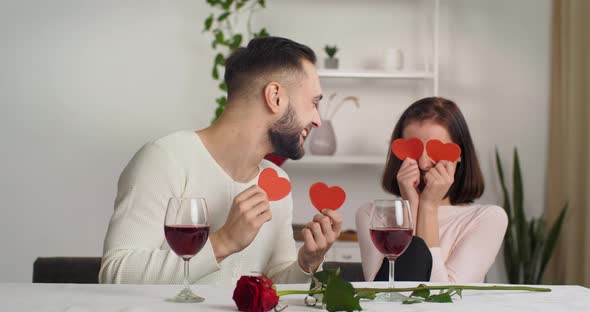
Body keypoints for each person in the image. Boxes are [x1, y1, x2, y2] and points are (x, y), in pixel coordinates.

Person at [99, 37, 343, 285]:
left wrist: (307, 262)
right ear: (275, 97)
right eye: (313, 103)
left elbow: (278, 281)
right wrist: (224, 241)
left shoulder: (277, 180)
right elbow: (115, 273)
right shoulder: (166, 159)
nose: (317, 120)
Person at [356, 97, 508, 283]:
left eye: (435, 151)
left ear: (458, 155)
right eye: (413, 150)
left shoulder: (488, 218)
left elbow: (443, 295)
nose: (423, 163)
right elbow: (380, 291)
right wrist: (410, 206)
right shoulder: (372, 214)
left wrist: (428, 206)